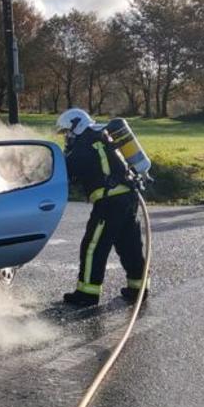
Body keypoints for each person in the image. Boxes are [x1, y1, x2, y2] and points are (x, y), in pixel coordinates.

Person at [56, 108, 147, 307]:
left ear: (76, 125)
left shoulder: (86, 143)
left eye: (66, 132)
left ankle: (87, 293)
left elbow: (66, 170)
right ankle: (138, 288)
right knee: (129, 244)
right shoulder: (101, 136)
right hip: (127, 197)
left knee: (93, 246)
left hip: (110, 202)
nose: (66, 137)